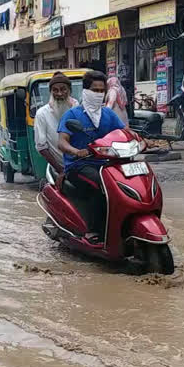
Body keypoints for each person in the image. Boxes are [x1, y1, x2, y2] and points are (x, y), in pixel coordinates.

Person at [57, 70, 125, 241]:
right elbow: (62, 142)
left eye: (102, 91)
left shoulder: (109, 114)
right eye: (95, 90)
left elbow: (123, 132)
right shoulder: (72, 115)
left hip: (108, 163)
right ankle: (94, 230)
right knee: (100, 185)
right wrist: (75, 151)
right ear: (86, 91)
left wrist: (144, 141)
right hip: (79, 165)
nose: (99, 94)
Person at [34, 72, 78, 173]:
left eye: (63, 89)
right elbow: (41, 147)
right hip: (57, 168)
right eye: (55, 90)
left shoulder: (78, 109)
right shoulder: (42, 114)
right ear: (50, 92)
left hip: (80, 165)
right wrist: (60, 170)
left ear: (69, 91)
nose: (59, 94)